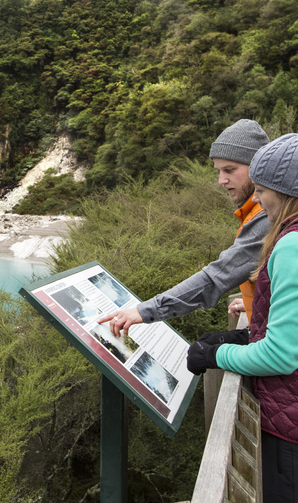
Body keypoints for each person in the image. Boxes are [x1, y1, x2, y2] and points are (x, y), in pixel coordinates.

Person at [187, 133, 298, 502]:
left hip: (289, 431)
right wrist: (250, 333)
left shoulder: (291, 245)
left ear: (282, 192)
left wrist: (214, 355)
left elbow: (281, 356)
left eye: (263, 190)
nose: (259, 201)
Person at [100, 119, 270, 337]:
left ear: (259, 168)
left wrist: (145, 311)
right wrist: (252, 302)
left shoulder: (266, 216)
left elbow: (216, 278)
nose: (221, 180)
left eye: (229, 169)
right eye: (218, 171)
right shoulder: (255, 211)